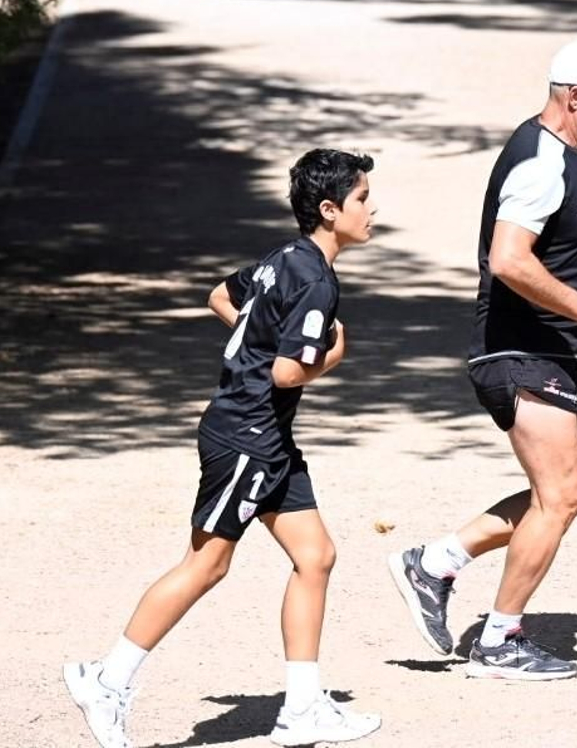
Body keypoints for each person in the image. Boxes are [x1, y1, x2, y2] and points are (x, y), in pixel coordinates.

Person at [64, 149, 382, 748]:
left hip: (264, 436)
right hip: (247, 436)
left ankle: (302, 708)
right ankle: (107, 680)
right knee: (207, 563)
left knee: (315, 556)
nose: (372, 209)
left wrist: (253, 347)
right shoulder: (316, 280)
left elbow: (219, 297)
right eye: (362, 199)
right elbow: (290, 373)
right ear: (329, 209)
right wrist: (330, 360)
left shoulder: (284, 258)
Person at [387, 38, 577, 680]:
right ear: (575, 96)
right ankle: (499, 641)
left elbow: (549, 257)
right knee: (559, 495)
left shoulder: (572, 159)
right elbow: (508, 260)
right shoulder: (540, 161)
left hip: (551, 348)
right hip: (519, 349)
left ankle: (437, 561)